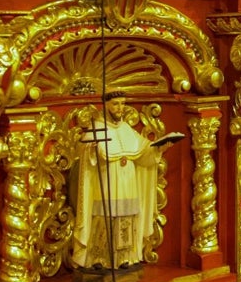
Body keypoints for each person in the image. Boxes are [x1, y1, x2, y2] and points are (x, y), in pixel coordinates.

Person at [71, 91, 180, 272]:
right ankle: (99, 258)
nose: (120, 108)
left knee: (126, 218)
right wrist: (90, 151)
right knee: (104, 218)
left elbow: (144, 152)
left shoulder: (127, 129)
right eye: (115, 104)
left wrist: (159, 148)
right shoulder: (96, 128)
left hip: (127, 182)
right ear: (105, 105)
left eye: (122, 104)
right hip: (106, 182)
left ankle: (125, 258)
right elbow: (86, 159)